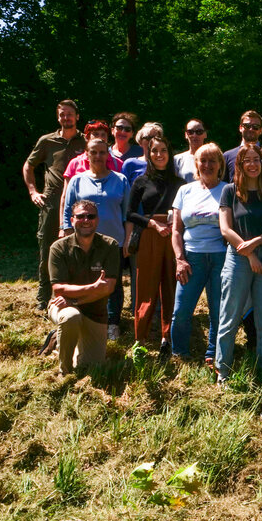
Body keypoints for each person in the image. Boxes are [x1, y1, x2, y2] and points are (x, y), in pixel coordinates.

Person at [216, 144, 262, 383]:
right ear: (239, 165)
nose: (253, 164)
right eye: (247, 161)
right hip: (238, 258)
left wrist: (256, 243)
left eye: (256, 160)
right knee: (229, 318)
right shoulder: (230, 191)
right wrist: (249, 252)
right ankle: (223, 373)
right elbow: (225, 228)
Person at [62, 138, 131, 340]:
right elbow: (68, 211)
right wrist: (66, 235)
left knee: (113, 284)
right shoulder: (77, 180)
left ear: (108, 155)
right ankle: (83, 317)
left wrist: (127, 239)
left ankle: (112, 324)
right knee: (84, 279)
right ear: (87, 154)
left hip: (114, 242)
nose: (99, 156)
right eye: (94, 152)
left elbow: (127, 213)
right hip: (84, 243)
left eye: (103, 152)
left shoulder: (120, 180)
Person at [22, 99, 87, 310]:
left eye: (69, 114)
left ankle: (76, 294)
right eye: (62, 114)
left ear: (77, 116)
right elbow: (28, 166)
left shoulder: (86, 141)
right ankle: (43, 298)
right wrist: (33, 191)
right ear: (57, 117)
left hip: (80, 204)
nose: (66, 118)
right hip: (50, 203)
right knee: (48, 249)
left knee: (79, 249)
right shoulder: (47, 141)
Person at [124, 135, 183, 352]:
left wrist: (172, 224)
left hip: (173, 235)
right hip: (150, 234)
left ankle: (167, 338)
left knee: (171, 287)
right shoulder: (141, 181)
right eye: (155, 150)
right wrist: (153, 224)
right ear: (149, 154)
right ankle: (141, 340)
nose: (159, 154)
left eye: (163, 150)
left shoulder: (180, 184)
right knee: (146, 288)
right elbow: (130, 213)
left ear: (170, 153)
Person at [48, 200, 120, 375]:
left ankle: (62, 337)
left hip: (94, 311)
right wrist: (93, 287)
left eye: (91, 216)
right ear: (72, 220)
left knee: (92, 366)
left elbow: (108, 288)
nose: (86, 220)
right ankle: (64, 372)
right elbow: (59, 288)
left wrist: (74, 299)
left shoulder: (110, 245)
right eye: (80, 216)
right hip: (62, 305)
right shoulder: (58, 248)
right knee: (71, 316)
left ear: (97, 220)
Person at [170, 143, 227, 362]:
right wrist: (180, 259)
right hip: (191, 258)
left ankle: (213, 354)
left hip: (220, 257)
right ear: (196, 164)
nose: (207, 165)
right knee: (182, 310)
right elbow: (176, 230)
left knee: (217, 310)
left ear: (220, 164)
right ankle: (180, 353)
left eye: (213, 160)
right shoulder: (185, 190)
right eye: (203, 160)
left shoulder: (227, 190)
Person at [59, 120, 124, 225]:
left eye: (103, 135)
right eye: (96, 134)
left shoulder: (118, 164)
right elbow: (65, 198)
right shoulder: (75, 164)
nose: (100, 137)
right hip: (82, 223)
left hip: (112, 224)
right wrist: (63, 226)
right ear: (87, 137)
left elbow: (125, 202)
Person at [224, 110, 262, 180]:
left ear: (261, 130)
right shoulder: (227, 156)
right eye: (247, 126)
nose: (251, 129)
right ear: (240, 128)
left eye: (255, 127)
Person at [121, 122, 164, 186]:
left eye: (156, 138)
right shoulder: (130, 164)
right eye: (147, 138)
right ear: (140, 142)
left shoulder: (164, 163)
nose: (152, 141)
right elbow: (122, 189)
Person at [174, 118, 207, 183]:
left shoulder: (213, 158)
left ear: (205, 134)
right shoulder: (177, 160)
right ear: (186, 135)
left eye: (199, 132)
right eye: (190, 132)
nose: (195, 135)